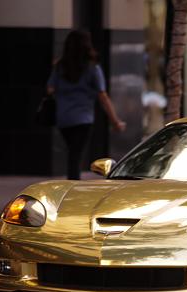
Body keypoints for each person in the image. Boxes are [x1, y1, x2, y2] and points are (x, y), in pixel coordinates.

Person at [47, 29, 126, 180]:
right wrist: (115, 121)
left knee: (73, 153)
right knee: (75, 155)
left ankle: (72, 182)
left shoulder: (59, 67)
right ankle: (72, 187)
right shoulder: (92, 68)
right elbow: (102, 95)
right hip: (83, 118)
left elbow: (50, 89)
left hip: (63, 118)